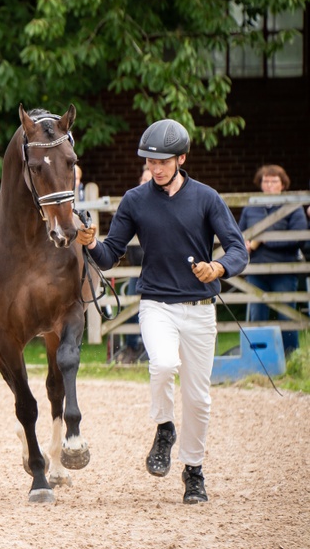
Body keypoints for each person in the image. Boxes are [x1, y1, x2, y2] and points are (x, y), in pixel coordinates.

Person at [76, 118, 248, 504]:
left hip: (200, 309)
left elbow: (238, 249)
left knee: (199, 399)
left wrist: (218, 267)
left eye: (162, 163)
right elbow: (109, 254)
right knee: (163, 366)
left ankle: (194, 472)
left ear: (181, 159)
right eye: (150, 162)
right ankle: (165, 427)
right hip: (156, 305)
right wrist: (90, 243)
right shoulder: (135, 200)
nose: (155, 169)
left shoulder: (206, 198)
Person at [237, 164, 307, 357]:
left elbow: (299, 237)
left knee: (287, 315)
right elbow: (240, 232)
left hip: (284, 269)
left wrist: (265, 239)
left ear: (283, 184)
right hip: (257, 270)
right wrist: (245, 243)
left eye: (274, 181)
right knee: (257, 316)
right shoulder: (251, 207)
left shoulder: (292, 207)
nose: (269, 185)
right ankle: (259, 359)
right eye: (265, 181)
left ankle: (291, 357)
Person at [117, 164, 153, 363]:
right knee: (130, 308)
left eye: (148, 180)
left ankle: (150, 349)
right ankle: (131, 346)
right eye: (143, 180)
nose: (145, 183)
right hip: (136, 268)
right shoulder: (133, 205)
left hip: (157, 268)